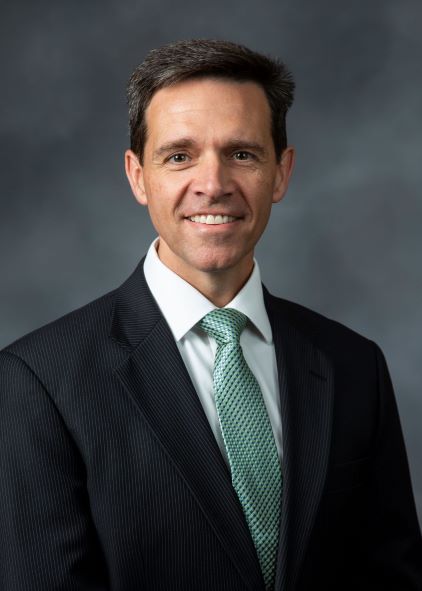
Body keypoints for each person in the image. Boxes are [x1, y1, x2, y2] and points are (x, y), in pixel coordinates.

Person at [0, 39, 421, 591]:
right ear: (137, 176)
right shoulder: (39, 381)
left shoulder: (353, 366)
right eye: (179, 156)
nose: (214, 184)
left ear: (281, 172)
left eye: (242, 154)